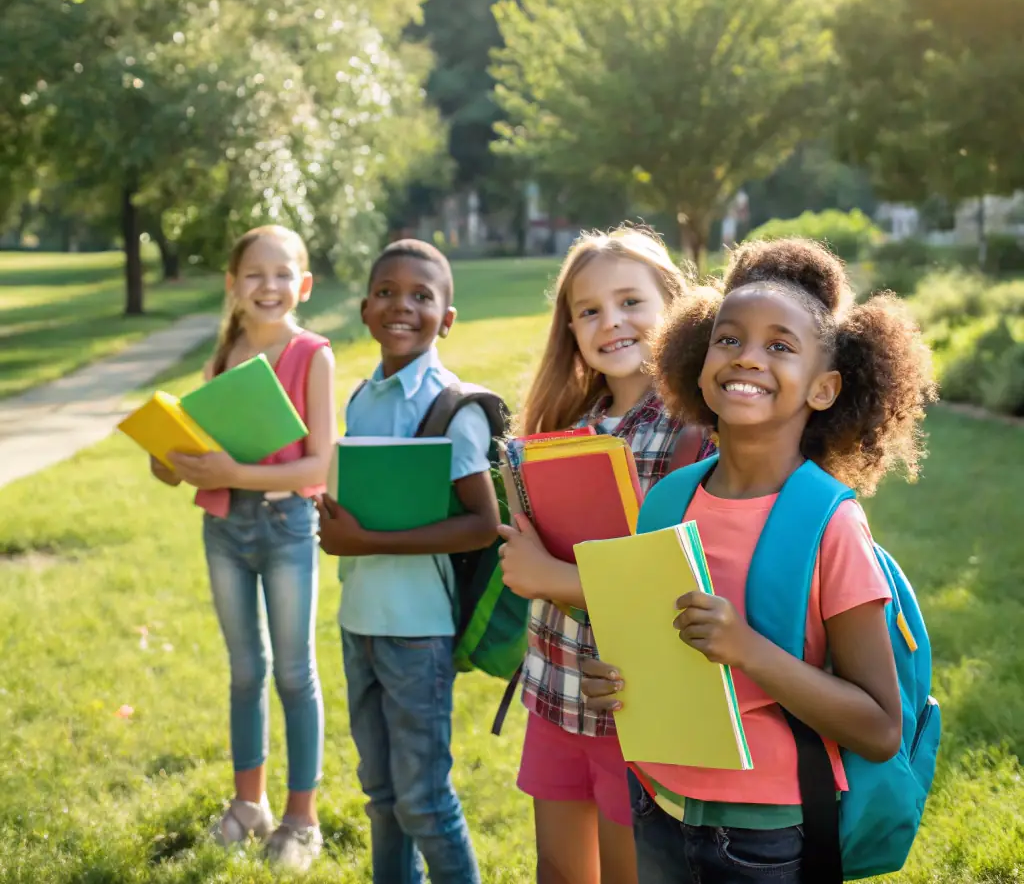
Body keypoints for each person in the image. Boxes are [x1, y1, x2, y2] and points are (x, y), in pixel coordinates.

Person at [581, 237, 936, 884]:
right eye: (729, 338)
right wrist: (614, 680)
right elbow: (653, 653)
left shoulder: (830, 523)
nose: (748, 357)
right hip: (656, 802)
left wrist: (747, 648)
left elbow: (881, 726)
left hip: (766, 835)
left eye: (780, 345)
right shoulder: (667, 499)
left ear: (825, 387)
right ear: (697, 353)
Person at [497, 226, 712, 884]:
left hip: (635, 696)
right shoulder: (570, 422)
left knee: (631, 873)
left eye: (629, 302)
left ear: (672, 305)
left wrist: (549, 576)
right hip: (556, 684)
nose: (609, 321)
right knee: (559, 869)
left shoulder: (693, 431)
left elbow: (678, 583)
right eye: (588, 310)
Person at [151, 224, 335, 872]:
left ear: (303, 284)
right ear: (232, 285)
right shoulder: (222, 354)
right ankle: (248, 804)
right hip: (224, 529)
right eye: (254, 274)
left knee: (292, 671)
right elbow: (198, 458)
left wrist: (234, 473)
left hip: (287, 528)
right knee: (244, 671)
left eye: (283, 273)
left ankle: (301, 817)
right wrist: (169, 458)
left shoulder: (313, 354)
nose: (269, 286)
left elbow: (319, 465)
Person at [317, 239, 500, 884]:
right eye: (388, 293)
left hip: (418, 629)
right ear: (366, 310)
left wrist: (365, 541)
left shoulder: (452, 408)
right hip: (359, 619)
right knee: (382, 796)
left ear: (447, 318)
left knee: (423, 800)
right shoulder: (361, 399)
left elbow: (483, 525)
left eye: (422, 296)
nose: (403, 306)